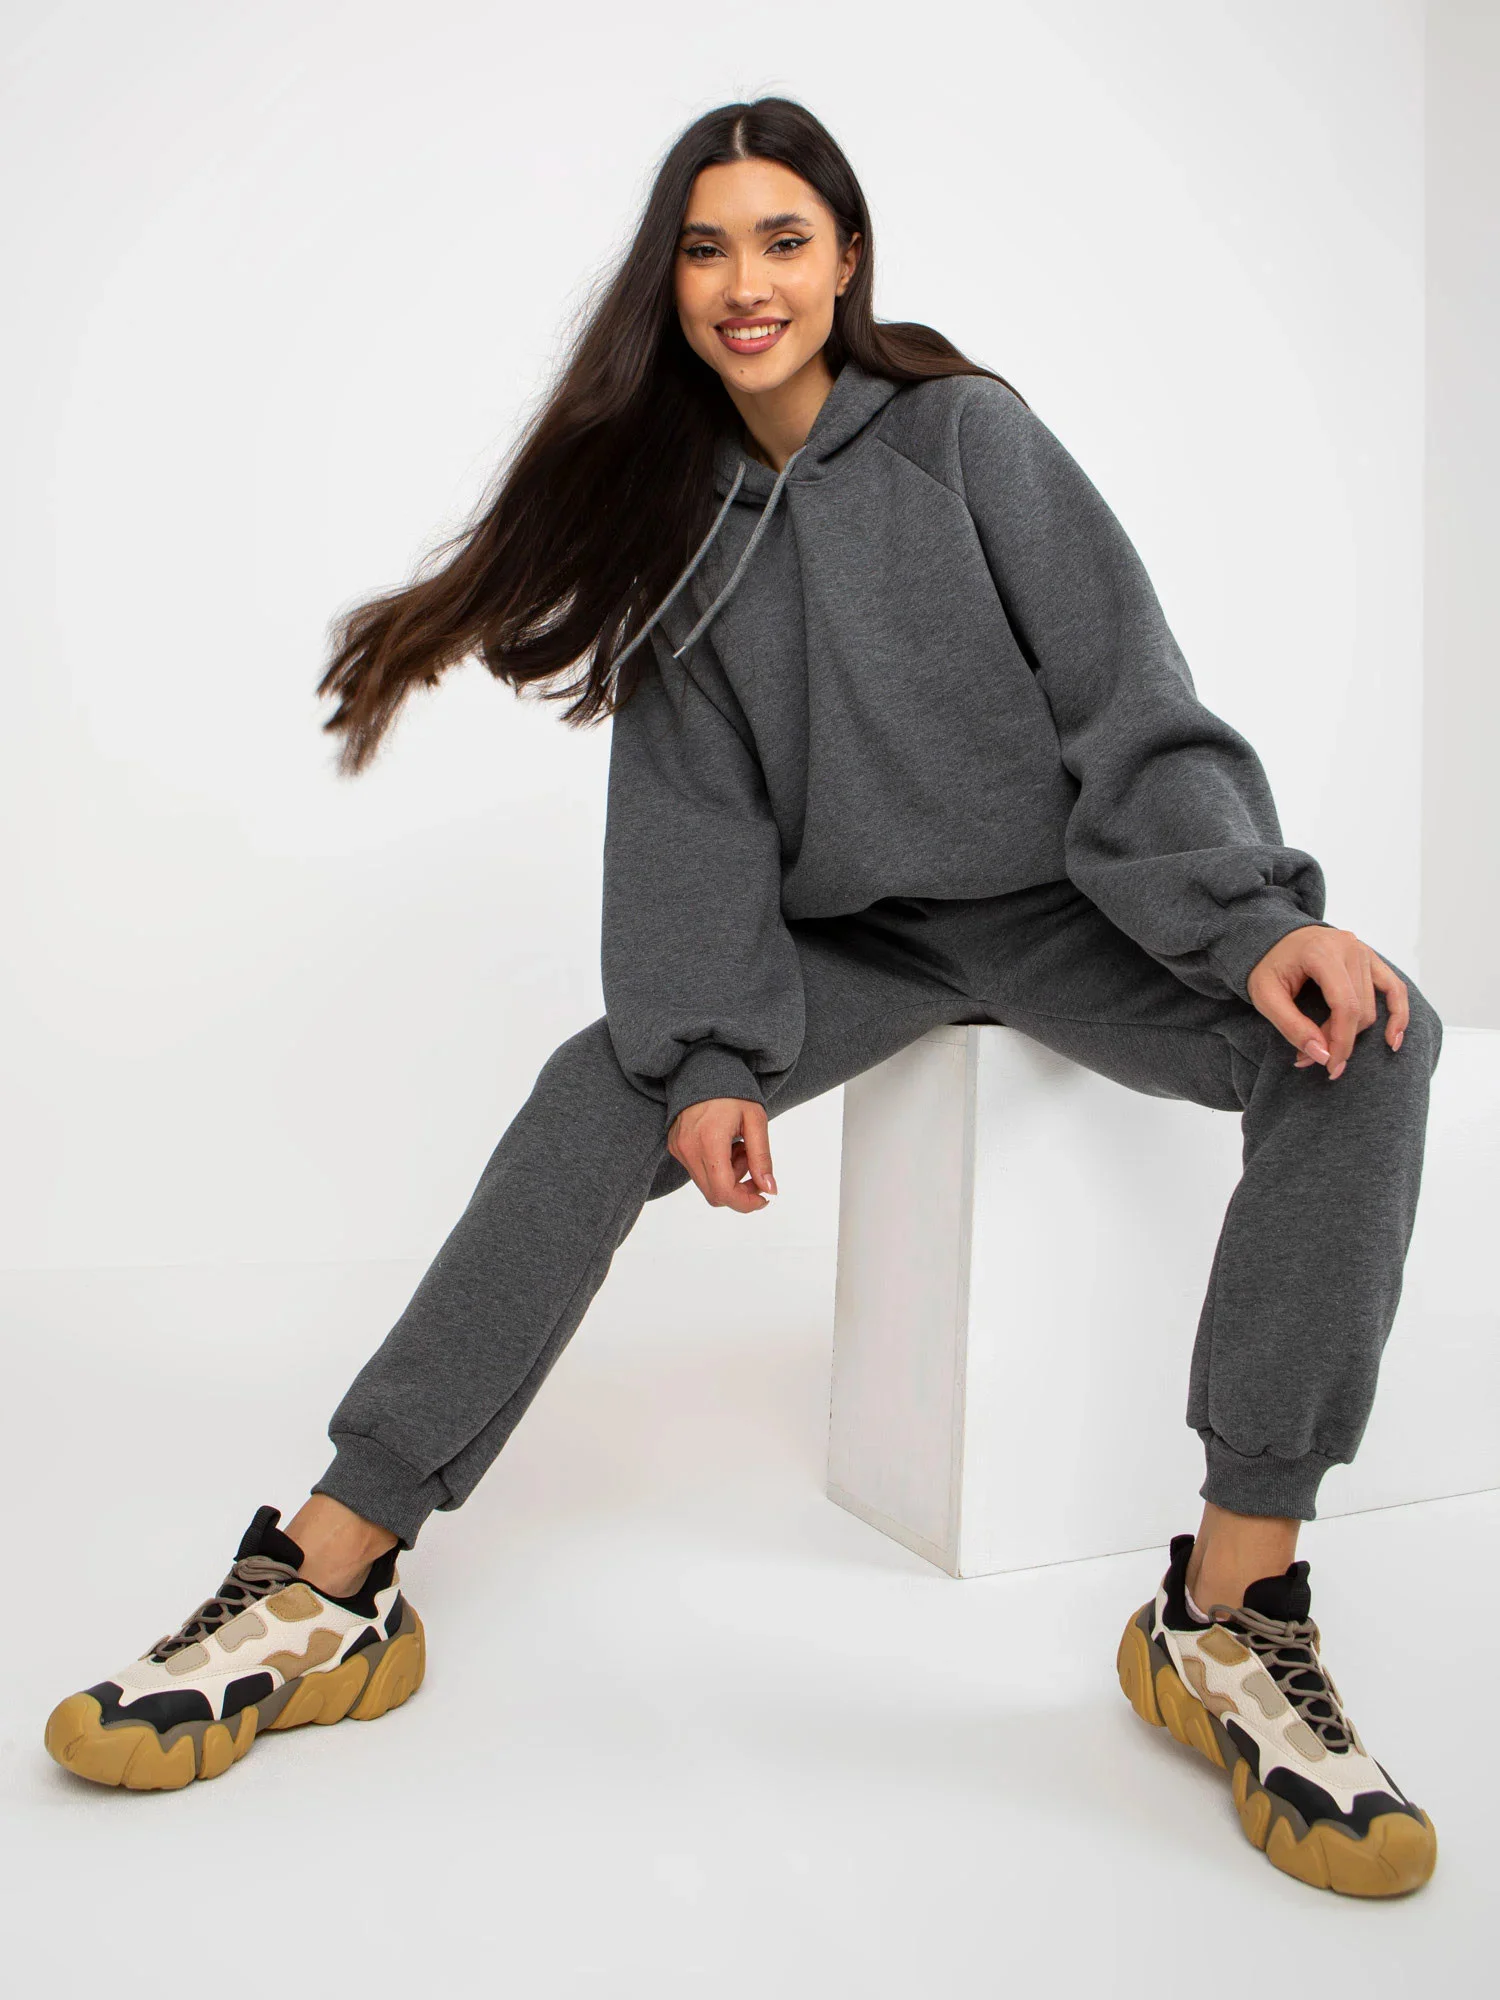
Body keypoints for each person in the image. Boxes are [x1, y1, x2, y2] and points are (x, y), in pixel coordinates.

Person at [44, 97, 1442, 1897]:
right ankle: (330, 1578)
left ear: (847, 258)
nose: (744, 282)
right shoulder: (674, 525)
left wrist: (1248, 924)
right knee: (598, 1087)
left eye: (783, 239)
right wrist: (707, 1049)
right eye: (705, 248)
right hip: (856, 943)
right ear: (672, 279)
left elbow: (1123, 688)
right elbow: (692, 813)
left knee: (1367, 1040)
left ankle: (1230, 1615)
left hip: (1073, 907)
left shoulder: (967, 438)